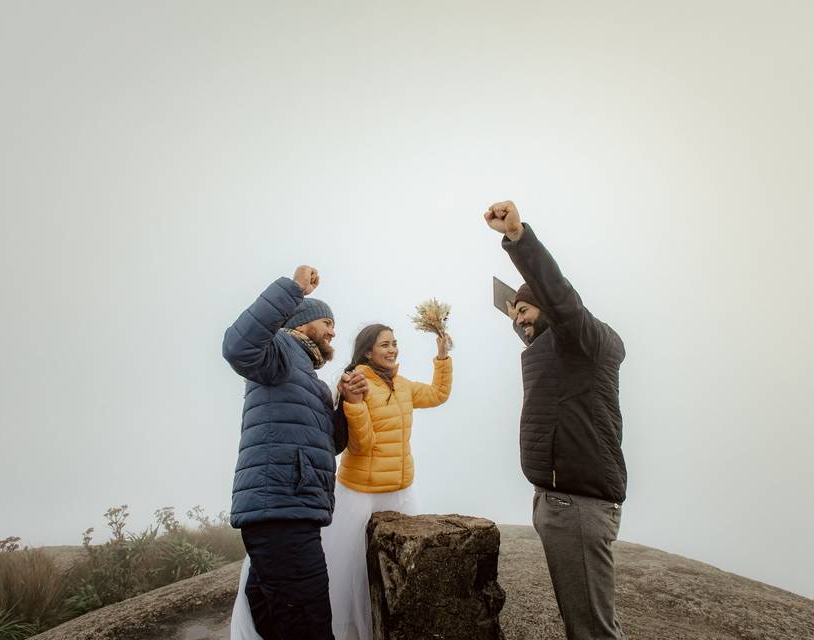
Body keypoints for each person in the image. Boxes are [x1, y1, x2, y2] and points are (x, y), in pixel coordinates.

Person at [232, 323, 453, 640]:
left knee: (402, 570)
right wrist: (354, 404)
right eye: (385, 344)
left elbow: (437, 394)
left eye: (394, 343)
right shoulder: (355, 382)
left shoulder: (403, 386)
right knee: (349, 574)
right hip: (360, 492)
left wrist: (442, 357)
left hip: (401, 490)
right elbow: (359, 445)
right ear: (368, 351)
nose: (392, 350)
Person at [484, 201, 628, 640]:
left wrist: (518, 239)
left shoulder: (582, 340)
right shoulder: (551, 347)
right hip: (557, 499)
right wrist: (514, 307)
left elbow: (558, 298)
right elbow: (535, 322)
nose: (520, 323)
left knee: (592, 631)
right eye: (514, 317)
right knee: (579, 625)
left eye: (524, 312)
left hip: (577, 504)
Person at [222, 265, 367, 640]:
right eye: (327, 322)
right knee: (309, 624)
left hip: (294, 510)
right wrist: (293, 289)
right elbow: (237, 346)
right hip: (280, 511)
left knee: (279, 622)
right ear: (302, 322)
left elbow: (330, 445)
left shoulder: (310, 378)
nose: (334, 331)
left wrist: (346, 404)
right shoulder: (280, 352)